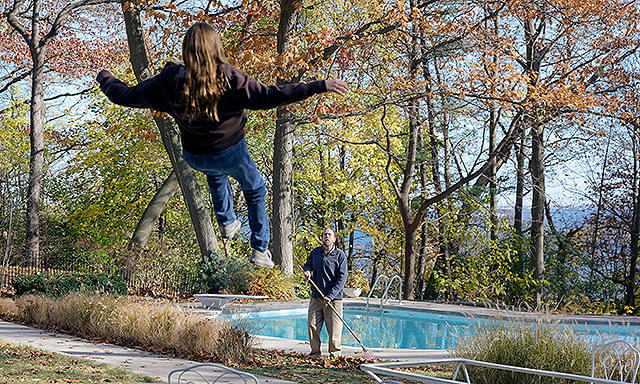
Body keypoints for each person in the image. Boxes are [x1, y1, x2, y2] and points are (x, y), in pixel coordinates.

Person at [96, 22, 349, 268]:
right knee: (255, 188)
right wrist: (318, 86)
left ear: (187, 50)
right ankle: (260, 249)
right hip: (231, 153)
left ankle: (227, 222)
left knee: (215, 174)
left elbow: (126, 96)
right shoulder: (229, 78)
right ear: (216, 48)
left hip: (195, 155)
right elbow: (271, 95)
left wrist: (106, 77)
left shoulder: (170, 80)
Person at [303, 228, 348, 357]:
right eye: (324, 235)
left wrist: (331, 295)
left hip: (334, 300)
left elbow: (342, 278)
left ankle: (335, 354)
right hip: (316, 297)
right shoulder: (315, 252)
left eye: (329, 235)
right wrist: (307, 271)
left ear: (334, 238)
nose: (326, 237)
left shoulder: (340, 255)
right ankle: (315, 353)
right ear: (322, 238)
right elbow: (308, 264)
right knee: (312, 326)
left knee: (334, 329)